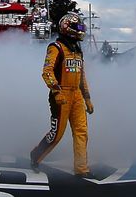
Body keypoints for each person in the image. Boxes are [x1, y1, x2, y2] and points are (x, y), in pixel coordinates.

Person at [30, 12, 94, 178]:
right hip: (61, 94)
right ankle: (35, 156)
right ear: (66, 27)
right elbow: (47, 71)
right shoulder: (55, 47)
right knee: (57, 134)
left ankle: (81, 168)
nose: (80, 31)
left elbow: (82, 76)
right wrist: (56, 91)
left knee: (82, 132)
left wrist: (87, 98)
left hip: (77, 95)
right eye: (77, 27)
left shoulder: (78, 51)